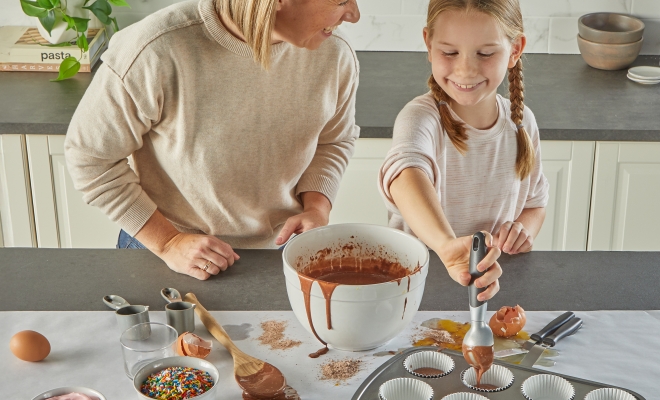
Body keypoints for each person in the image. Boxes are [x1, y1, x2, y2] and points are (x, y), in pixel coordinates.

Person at [65, 0, 361, 280]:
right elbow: (90, 158)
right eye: (341, 1)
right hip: (167, 252)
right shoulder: (155, 48)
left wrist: (317, 207)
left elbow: (333, 140)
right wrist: (169, 243)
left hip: (282, 252)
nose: (353, 15)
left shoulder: (334, 53)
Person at [378, 0, 549, 301]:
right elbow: (405, 175)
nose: (465, 70)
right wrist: (446, 246)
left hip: (489, 288)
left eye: (485, 53)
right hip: (415, 290)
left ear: (515, 50)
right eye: (449, 52)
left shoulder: (523, 122)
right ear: (428, 45)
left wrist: (523, 230)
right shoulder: (420, 117)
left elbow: (535, 204)